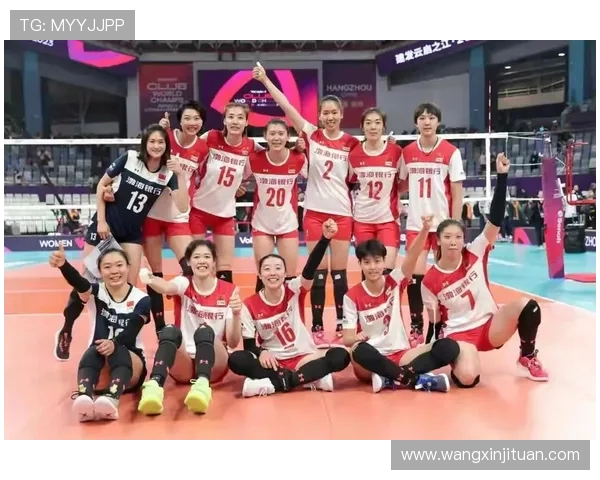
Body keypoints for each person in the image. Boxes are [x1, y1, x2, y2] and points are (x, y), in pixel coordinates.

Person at [54, 124, 189, 361]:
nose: (156, 146)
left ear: (166, 146)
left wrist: (181, 174)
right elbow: (101, 186)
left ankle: (118, 339)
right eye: (152, 141)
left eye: (161, 142)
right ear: (145, 143)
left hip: (131, 233)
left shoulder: (168, 173)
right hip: (105, 227)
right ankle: (67, 329)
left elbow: (183, 206)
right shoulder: (129, 158)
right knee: (86, 286)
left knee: (127, 287)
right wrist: (101, 221)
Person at [253, 62, 359, 348]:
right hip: (314, 213)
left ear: (341, 114)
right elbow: (286, 106)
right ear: (320, 115)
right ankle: (316, 327)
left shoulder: (352, 143)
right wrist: (265, 81)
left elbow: (367, 167)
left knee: (339, 273)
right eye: (325, 112)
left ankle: (342, 324)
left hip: (342, 213)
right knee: (317, 273)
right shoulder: (311, 134)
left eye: (334, 112)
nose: (330, 117)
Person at [421, 154, 548, 388]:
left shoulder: (476, 252)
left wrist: (502, 176)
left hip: (489, 327)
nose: (453, 242)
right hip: (459, 334)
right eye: (447, 237)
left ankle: (527, 356)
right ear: (438, 240)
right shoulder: (430, 280)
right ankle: (461, 361)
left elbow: (496, 220)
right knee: (468, 379)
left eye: (458, 237)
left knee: (528, 306)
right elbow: (435, 323)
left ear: (464, 239)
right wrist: (429, 356)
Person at [228, 219, 351, 397]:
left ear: (285, 274)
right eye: (267, 269)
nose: (273, 273)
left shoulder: (293, 290)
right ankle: (308, 378)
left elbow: (310, 268)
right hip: (273, 361)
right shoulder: (249, 305)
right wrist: (262, 352)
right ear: (260, 275)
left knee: (341, 356)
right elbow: (249, 345)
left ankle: (276, 383)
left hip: (304, 357)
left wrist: (325, 239)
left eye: (278, 268)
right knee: (237, 360)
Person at [342, 216, 458, 393]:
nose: (372, 267)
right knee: (357, 351)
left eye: (377, 261)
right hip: (371, 359)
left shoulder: (394, 281)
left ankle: (389, 378)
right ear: (360, 264)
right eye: (367, 262)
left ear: (384, 262)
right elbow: (347, 339)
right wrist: (357, 338)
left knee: (449, 347)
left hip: (401, 354)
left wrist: (425, 230)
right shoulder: (351, 296)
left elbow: (413, 255)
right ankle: (414, 379)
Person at [135, 239, 242, 415]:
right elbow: (166, 287)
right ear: (189, 262)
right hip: (184, 363)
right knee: (169, 330)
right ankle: (154, 386)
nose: (202, 261)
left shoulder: (229, 291)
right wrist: (148, 277)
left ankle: (202, 387)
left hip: (214, 362)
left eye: (206, 257)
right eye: (196, 257)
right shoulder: (184, 283)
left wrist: (237, 314)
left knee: (204, 330)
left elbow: (233, 342)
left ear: (214, 262)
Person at [49, 244, 151, 422]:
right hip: (100, 362)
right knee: (93, 349)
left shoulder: (141, 299)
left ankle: (112, 398)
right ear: (100, 272)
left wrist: (114, 342)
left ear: (128, 267)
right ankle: (85, 397)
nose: (114, 271)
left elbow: (132, 330)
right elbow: (80, 284)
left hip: (131, 367)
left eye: (119, 265)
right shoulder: (97, 293)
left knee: (117, 348)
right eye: (107, 267)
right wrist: (63, 265)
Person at [398, 103, 465, 347]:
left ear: (438, 121)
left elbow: (457, 192)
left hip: (442, 226)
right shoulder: (407, 152)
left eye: (431, 117)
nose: (427, 122)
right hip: (416, 224)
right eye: (422, 118)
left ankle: (443, 324)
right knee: (414, 276)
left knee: (444, 276)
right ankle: (417, 326)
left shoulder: (451, 152)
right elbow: (400, 185)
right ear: (416, 123)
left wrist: (454, 227)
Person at [140, 102, 209, 335]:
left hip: (178, 216)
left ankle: (189, 321)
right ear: (180, 120)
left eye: (196, 118)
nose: (192, 123)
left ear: (202, 122)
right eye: (187, 118)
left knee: (191, 267)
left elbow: (200, 178)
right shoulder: (165, 137)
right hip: (151, 213)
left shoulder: (203, 148)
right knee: (154, 273)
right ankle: (161, 329)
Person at [247, 118, 307, 292]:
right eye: (272, 133)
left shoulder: (299, 158)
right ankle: (259, 310)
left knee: (290, 277)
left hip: (287, 223)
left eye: (281, 133)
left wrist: (306, 148)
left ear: (288, 136)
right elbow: (236, 177)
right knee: (263, 275)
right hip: (262, 224)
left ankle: (291, 310)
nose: (276, 138)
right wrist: (238, 188)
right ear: (265, 136)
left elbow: (318, 176)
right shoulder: (254, 159)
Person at [349, 108, 403, 274]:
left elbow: (404, 181)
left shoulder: (396, 152)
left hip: (388, 219)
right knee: (368, 272)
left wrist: (397, 196)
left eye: (377, 123)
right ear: (362, 127)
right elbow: (350, 182)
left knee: (386, 271)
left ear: (384, 127)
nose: (373, 127)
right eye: (368, 123)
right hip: (362, 219)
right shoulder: (354, 154)